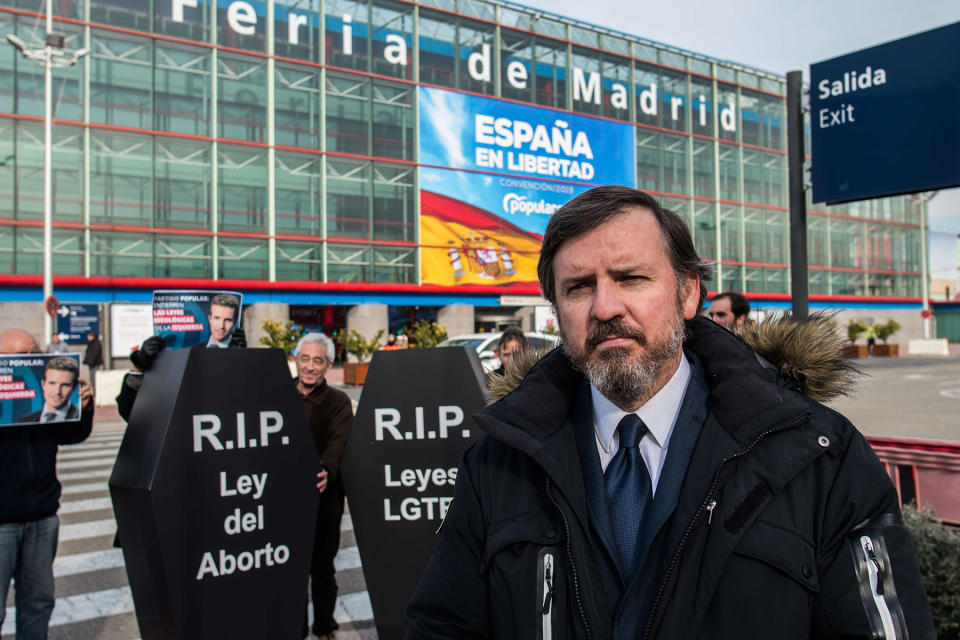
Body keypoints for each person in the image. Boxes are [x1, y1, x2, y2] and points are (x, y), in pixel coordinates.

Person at [406, 186, 934, 639]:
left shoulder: (820, 457)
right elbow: (443, 625)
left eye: (631, 278)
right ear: (556, 310)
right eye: (578, 287)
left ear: (687, 293)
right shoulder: (499, 464)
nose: (604, 307)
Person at [1, 329, 93, 640]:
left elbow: (70, 436)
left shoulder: (46, 403)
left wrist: (84, 406)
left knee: (38, 603)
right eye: (20, 357)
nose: (30, 361)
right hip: (1, 523)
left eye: (34, 353)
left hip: (41, 516)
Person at [293, 333, 353, 640]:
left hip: (325, 502)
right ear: (296, 360)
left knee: (322, 570)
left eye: (318, 360)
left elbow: (339, 442)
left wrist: (326, 470)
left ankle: (325, 626)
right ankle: (295, 628)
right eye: (305, 358)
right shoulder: (278, 394)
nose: (310, 366)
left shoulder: (338, 401)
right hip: (284, 503)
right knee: (290, 574)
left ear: (328, 365)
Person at [17, 356, 81, 424]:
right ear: (43, 384)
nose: (57, 391)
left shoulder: (81, 418)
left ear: (74, 387)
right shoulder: (25, 421)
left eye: (65, 385)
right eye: (52, 383)